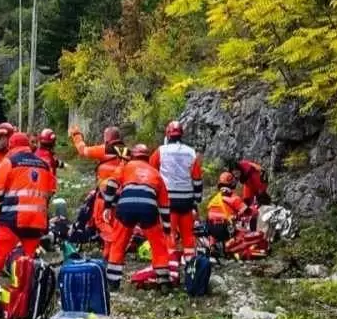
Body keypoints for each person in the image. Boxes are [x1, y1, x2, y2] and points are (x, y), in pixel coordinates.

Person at [0, 132, 57, 283]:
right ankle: (25, 294)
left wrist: (5, 202)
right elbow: (51, 190)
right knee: (28, 260)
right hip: (36, 221)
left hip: (12, 219)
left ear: (11, 145)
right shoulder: (44, 164)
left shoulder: (9, 161)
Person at [102, 143, 172, 290]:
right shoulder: (156, 173)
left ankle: (112, 283)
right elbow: (165, 205)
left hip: (125, 206)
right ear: (148, 158)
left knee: (119, 243)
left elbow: (111, 184)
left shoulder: (126, 166)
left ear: (133, 155)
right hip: (148, 207)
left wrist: (107, 206)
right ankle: (163, 280)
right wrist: (166, 228)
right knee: (158, 244)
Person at [149, 120, 203, 278]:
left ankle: (172, 270)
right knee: (188, 236)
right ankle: (191, 269)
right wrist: (197, 200)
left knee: (169, 234)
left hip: (168, 200)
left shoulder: (161, 151)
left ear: (168, 134)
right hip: (187, 200)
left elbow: (151, 171)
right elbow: (197, 178)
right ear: (181, 134)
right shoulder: (191, 152)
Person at [206, 172, 246, 244]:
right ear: (232, 183)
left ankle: (213, 247)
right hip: (225, 229)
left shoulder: (214, 199)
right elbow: (247, 211)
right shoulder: (234, 198)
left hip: (211, 230)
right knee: (244, 234)